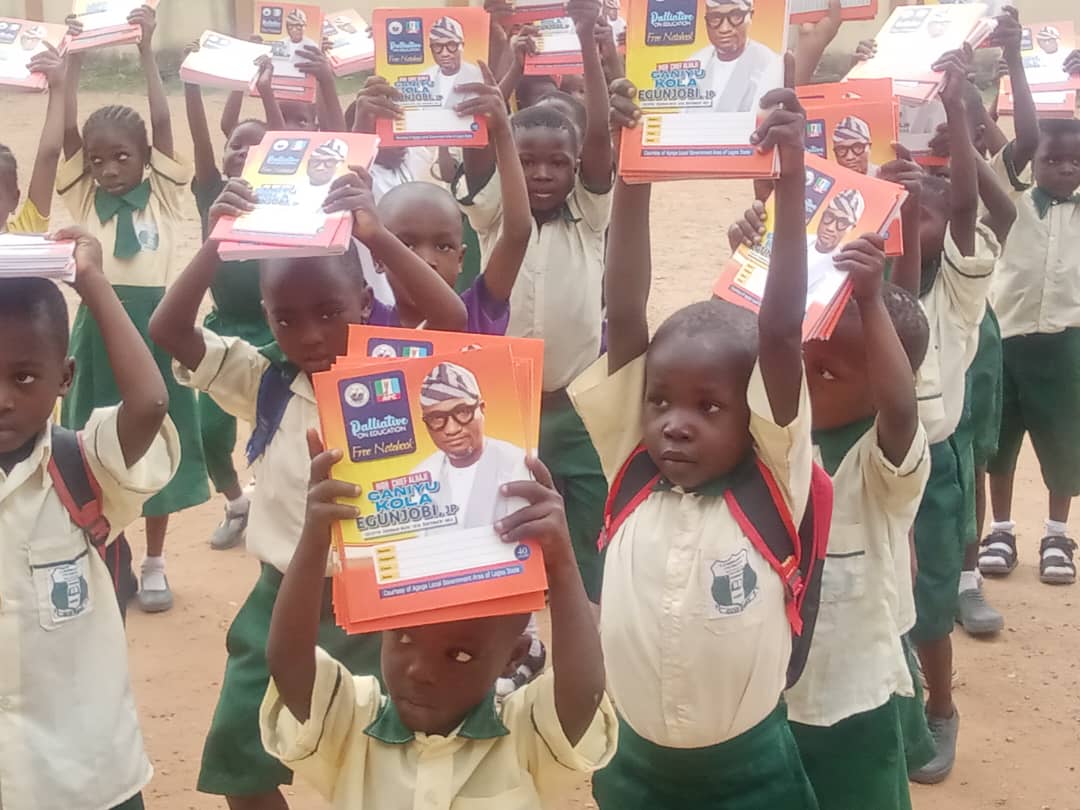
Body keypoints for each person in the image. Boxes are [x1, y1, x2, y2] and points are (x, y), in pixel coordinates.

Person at [149, 170, 466, 810]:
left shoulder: (396, 370)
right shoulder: (263, 378)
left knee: (383, 760)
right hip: (281, 599)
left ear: (364, 303)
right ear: (267, 316)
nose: (311, 335)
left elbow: (451, 317)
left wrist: (376, 236)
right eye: (286, 318)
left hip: (379, 602)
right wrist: (217, 244)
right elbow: (169, 330)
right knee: (242, 756)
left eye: (329, 312)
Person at [578, 60, 819, 809]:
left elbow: (780, 333)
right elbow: (624, 310)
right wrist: (634, 169)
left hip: (751, 774)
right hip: (632, 765)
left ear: (753, 416)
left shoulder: (774, 475)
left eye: (709, 408)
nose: (674, 424)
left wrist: (790, 181)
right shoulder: (631, 463)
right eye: (660, 402)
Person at [258, 432, 616, 809]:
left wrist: (561, 562)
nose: (420, 671)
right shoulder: (352, 723)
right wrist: (316, 537)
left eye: (460, 655)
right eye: (404, 638)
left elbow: (584, 693)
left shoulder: (523, 736)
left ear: (514, 657)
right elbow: (288, 664)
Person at [0, 228, 179, 810]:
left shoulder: (87, 467)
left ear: (65, 378)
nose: (2, 398)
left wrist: (92, 282)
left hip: (89, 779)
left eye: (24, 377)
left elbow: (149, 403)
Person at [456, 0, 614, 603]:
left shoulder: (590, 218)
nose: (543, 173)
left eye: (557, 163)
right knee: (505, 512)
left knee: (590, 508)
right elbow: (479, 150)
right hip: (504, 406)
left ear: (577, 169)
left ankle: (589, 608)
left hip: (576, 401)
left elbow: (598, 134)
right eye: (526, 162)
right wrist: (504, 82)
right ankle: (516, 617)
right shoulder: (495, 216)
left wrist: (588, 43)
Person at [57, 4, 209, 614]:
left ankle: (154, 562)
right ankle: (103, 552)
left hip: (153, 332)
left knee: (155, 441)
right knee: (90, 443)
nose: (108, 169)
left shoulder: (165, 197)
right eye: (97, 161)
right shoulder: (84, 198)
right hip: (96, 332)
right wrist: (71, 62)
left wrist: (148, 49)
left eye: (122, 156)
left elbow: (162, 121)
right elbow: (66, 132)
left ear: (145, 156)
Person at [901, 46, 1012, 785]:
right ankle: (895, 702)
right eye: (904, 210)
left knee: (932, 601)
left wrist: (956, 109)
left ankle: (940, 708)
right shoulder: (862, 279)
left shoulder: (959, 292)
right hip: (862, 458)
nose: (918, 216)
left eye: (930, 212)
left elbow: (971, 208)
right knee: (870, 596)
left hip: (931, 464)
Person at [792, 255, 932, 809]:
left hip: (852, 696)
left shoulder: (879, 461)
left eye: (826, 373)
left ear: (881, 386)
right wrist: (751, 262)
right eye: (802, 359)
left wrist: (872, 300)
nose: (802, 382)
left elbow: (901, 410)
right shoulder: (775, 436)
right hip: (773, 696)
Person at [982, 8, 1080, 590]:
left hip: (1066, 343)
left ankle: (1057, 533)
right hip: (1006, 337)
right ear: (1032, 162)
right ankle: (1001, 528)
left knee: (1062, 440)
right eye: (1052, 160)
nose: (1064, 168)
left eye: (1074, 162)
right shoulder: (1011, 194)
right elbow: (1021, 135)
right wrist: (1014, 58)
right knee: (1000, 442)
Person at [373, 63, 531, 334]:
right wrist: (361, 133)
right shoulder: (367, 318)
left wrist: (503, 132)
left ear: (461, 259)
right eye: (406, 245)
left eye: (443, 246)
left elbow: (518, 233)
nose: (426, 260)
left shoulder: (479, 310)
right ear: (378, 257)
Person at [184, 64, 271, 550]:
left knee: (275, 425)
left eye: (256, 147)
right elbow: (200, 137)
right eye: (236, 144)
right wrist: (192, 83)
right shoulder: (211, 192)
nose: (242, 151)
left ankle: (273, 500)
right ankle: (237, 503)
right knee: (209, 432)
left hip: (274, 329)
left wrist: (269, 92)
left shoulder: (283, 199)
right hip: (223, 328)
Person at [411, 361, 530, 531]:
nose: (451, 429)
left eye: (462, 412)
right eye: (437, 418)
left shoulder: (518, 464)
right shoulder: (421, 477)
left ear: (481, 409)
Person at [1, 43, 66, 235]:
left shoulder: (25, 233)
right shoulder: (25, 232)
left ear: (14, 199)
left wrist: (58, 87)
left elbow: (49, 155)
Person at [687, 0, 782, 114]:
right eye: (715, 18)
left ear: (750, 16)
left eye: (736, 17)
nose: (724, 29)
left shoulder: (771, 65)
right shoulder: (694, 63)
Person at [422, 16, 484, 111]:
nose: (444, 53)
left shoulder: (478, 76)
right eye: (437, 46)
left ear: (462, 46)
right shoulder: (425, 77)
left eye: (451, 45)